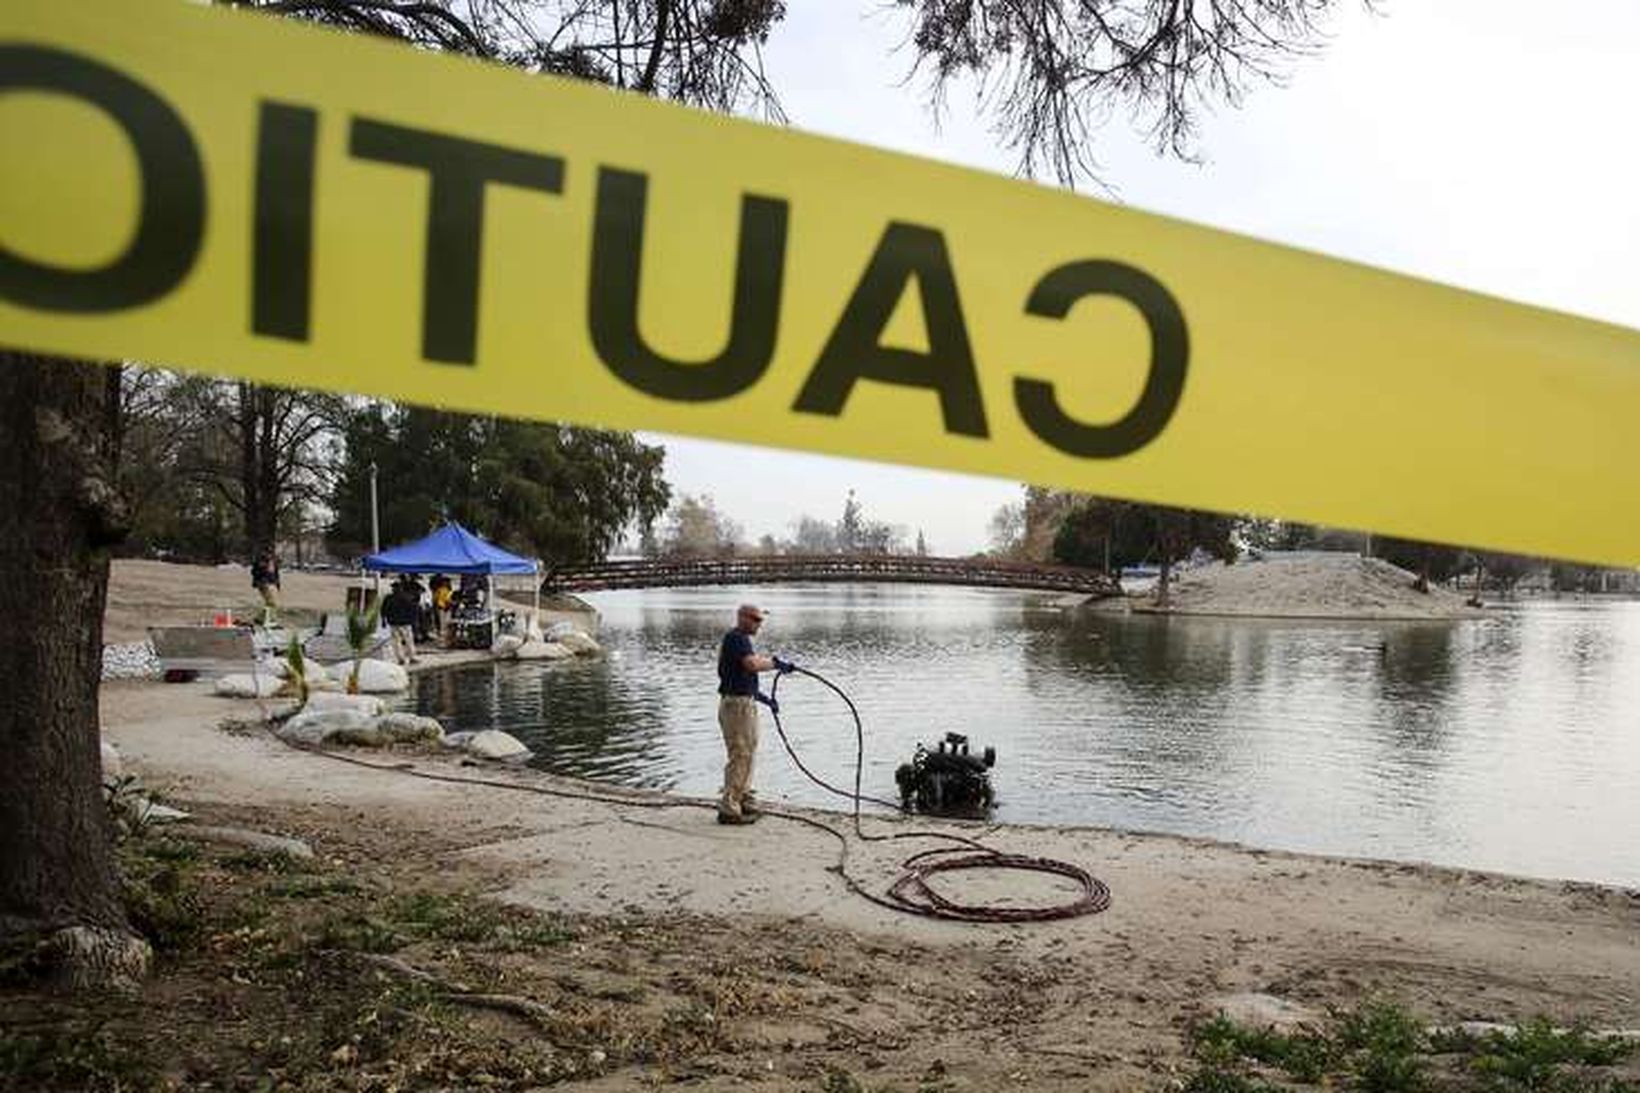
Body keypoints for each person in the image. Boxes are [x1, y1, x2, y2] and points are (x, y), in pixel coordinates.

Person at [715, 603, 795, 825]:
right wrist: (775, 663)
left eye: (761, 620)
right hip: (736, 706)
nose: (759, 625)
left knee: (748, 752)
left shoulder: (741, 640)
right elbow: (751, 665)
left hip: (742, 702)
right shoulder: (736, 638)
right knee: (740, 754)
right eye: (755, 619)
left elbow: (740, 678)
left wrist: (764, 699)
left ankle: (743, 799)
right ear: (742, 618)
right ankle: (729, 808)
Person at [381, 579, 419, 665]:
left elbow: (383, 610)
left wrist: (383, 620)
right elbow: (413, 609)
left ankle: (401, 658)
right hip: (403, 623)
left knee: (397, 642)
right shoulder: (406, 597)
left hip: (394, 622)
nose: (394, 589)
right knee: (408, 640)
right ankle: (411, 657)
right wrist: (413, 621)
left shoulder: (389, 598)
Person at [250, 551, 280, 626]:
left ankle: (260, 618)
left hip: (272, 583)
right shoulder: (261, 562)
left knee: (271, 603)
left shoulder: (273, 562)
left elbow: (276, 574)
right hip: (264, 583)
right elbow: (254, 572)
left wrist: (277, 584)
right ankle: (270, 620)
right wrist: (265, 568)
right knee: (272, 603)